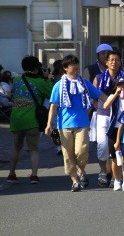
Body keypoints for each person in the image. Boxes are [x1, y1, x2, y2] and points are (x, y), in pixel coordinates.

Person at [45, 55, 108, 192]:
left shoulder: (84, 83)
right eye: (73, 64)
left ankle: (81, 170)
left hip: (82, 123)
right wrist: (49, 123)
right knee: (67, 154)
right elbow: (53, 106)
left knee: (81, 151)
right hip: (64, 125)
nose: (76, 67)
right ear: (65, 68)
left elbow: (101, 96)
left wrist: (115, 101)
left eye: (77, 64)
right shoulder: (59, 85)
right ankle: (74, 181)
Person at [6, 56, 52, 184]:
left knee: (16, 147)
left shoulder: (15, 80)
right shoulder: (40, 82)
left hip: (16, 119)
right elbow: (51, 94)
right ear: (37, 68)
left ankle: (11, 174)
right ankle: (33, 176)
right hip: (32, 120)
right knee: (33, 149)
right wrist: (46, 78)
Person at [93, 50, 124, 189]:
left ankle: (116, 176)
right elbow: (94, 96)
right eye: (111, 60)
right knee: (102, 146)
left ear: (120, 62)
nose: (114, 62)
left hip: (119, 117)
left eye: (117, 60)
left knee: (118, 147)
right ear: (106, 62)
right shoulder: (99, 78)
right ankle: (104, 171)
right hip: (103, 114)